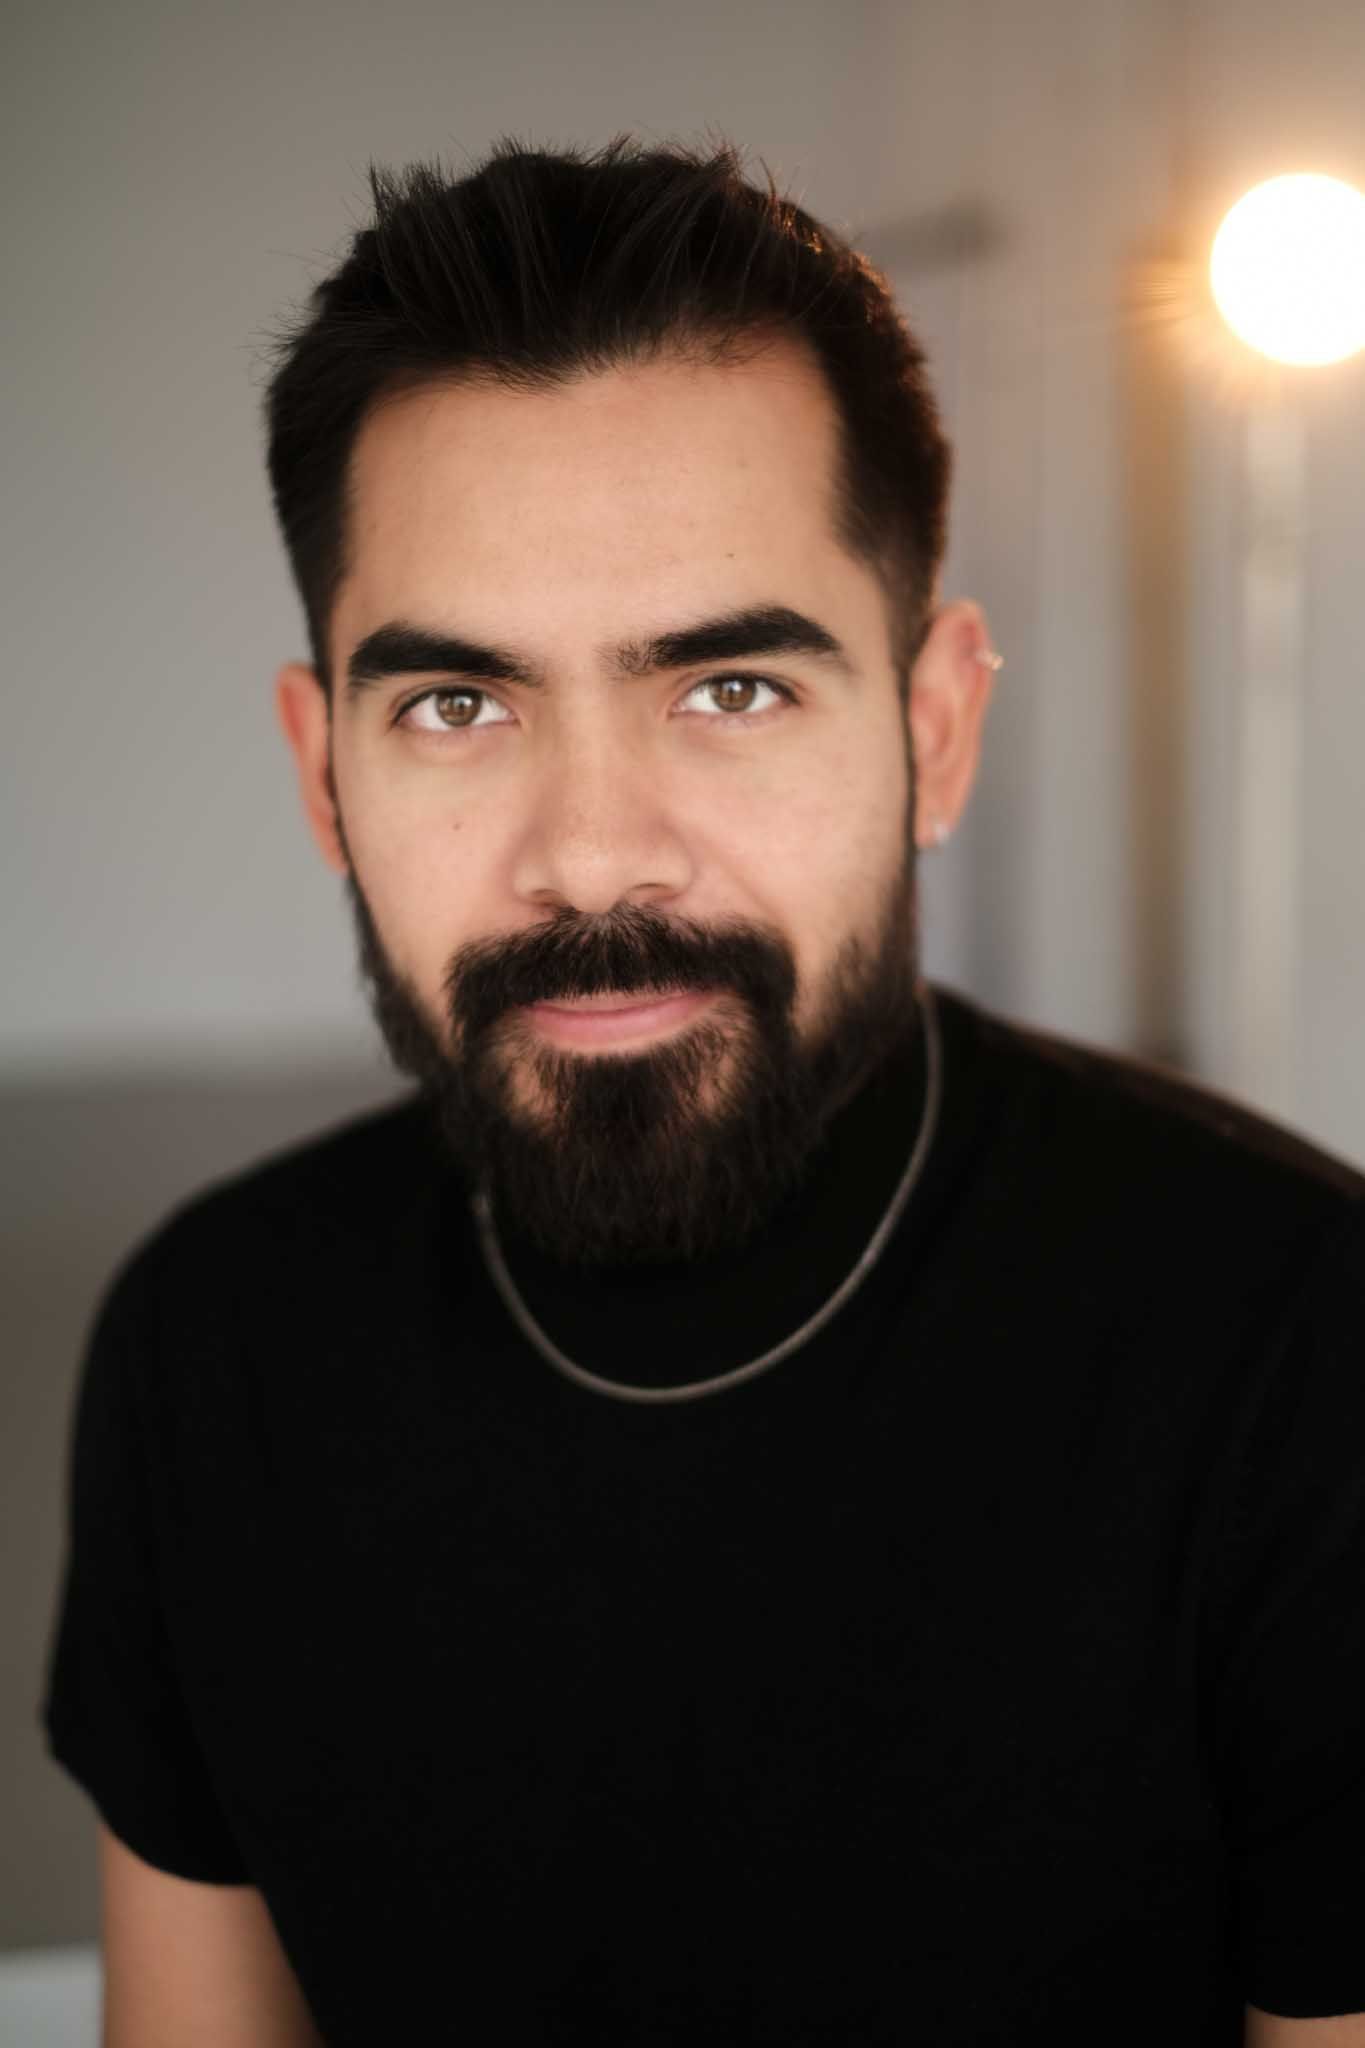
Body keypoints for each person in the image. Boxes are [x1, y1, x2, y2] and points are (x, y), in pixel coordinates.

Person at [41, 136, 1365, 2048]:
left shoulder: (1302, 1358)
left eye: (730, 690)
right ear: (325, 773)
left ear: (932, 731)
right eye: (457, 705)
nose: (592, 857)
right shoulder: (207, 1348)